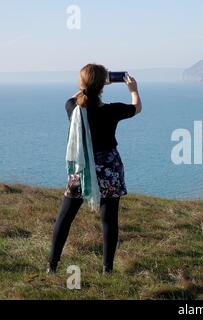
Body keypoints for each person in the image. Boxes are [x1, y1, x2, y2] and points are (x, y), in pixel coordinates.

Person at [47, 64, 142, 274]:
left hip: (81, 169)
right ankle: (107, 269)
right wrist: (133, 89)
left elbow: (76, 97)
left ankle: (51, 265)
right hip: (108, 169)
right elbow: (137, 107)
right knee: (109, 220)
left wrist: (91, 85)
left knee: (65, 218)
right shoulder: (112, 110)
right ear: (102, 86)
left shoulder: (72, 108)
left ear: (81, 84)